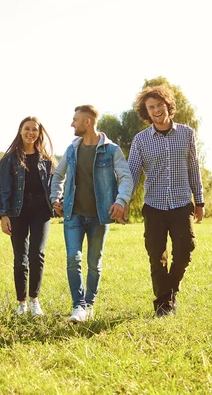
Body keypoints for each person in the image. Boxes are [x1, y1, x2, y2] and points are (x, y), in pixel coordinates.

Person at [127, 84, 205, 318]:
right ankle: (163, 304)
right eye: (151, 107)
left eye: (159, 105)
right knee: (156, 256)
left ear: (168, 106)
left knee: (185, 251)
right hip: (154, 207)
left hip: (182, 204)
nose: (156, 110)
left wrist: (199, 201)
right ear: (146, 112)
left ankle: (170, 292)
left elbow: (194, 169)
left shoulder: (187, 134)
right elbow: (131, 173)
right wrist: (123, 202)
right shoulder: (140, 140)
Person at [51, 105, 133, 322]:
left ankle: (89, 304)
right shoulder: (71, 149)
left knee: (94, 263)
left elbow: (126, 177)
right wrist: (55, 199)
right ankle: (78, 306)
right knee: (72, 259)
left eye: (75, 120)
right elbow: (58, 175)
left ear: (87, 122)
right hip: (73, 215)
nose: (72, 124)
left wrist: (120, 201)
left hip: (99, 216)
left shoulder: (111, 150)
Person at [0, 116, 55, 317]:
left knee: (37, 255)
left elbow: (54, 186)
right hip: (17, 212)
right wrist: (3, 215)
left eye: (35, 129)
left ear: (39, 133)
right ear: (20, 131)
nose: (31, 132)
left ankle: (34, 301)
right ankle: (21, 303)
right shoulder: (9, 159)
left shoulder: (46, 160)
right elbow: (3, 189)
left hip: (41, 213)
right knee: (20, 258)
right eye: (27, 129)